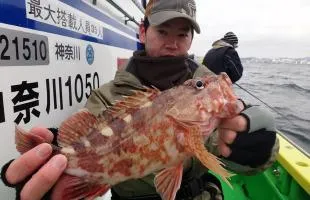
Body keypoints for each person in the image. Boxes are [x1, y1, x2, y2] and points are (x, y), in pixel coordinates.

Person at [1, 0, 279, 199]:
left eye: (182, 34)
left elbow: (238, 143)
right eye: (162, 31)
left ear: (191, 40)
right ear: (143, 31)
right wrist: (54, 151)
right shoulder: (107, 95)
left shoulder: (207, 89)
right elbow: (85, 133)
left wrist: (261, 148)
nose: (173, 42)